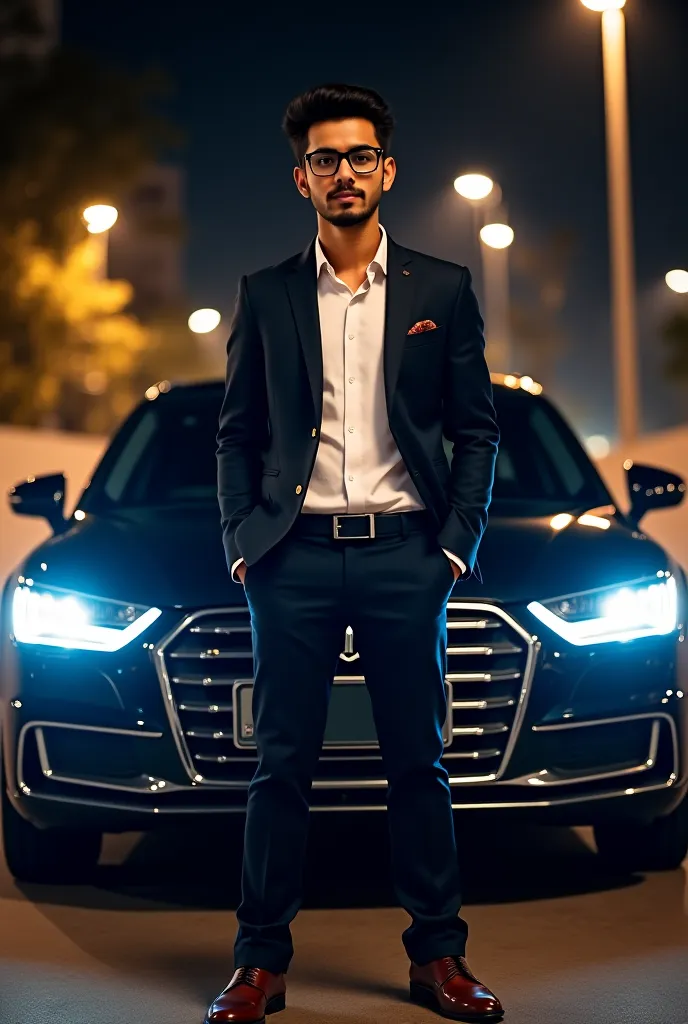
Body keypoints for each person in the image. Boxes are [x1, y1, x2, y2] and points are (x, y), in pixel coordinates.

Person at [210, 83, 502, 1024]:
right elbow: (236, 435)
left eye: (360, 156)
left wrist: (453, 546)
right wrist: (243, 545)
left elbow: (477, 431)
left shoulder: (442, 290)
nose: (345, 172)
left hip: (404, 558)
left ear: (388, 170)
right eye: (326, 159)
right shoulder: (266, 294)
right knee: (281, 765)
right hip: (291, 560)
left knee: (417, 761)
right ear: (303, 179)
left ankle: (440, 958)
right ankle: (260, 965)